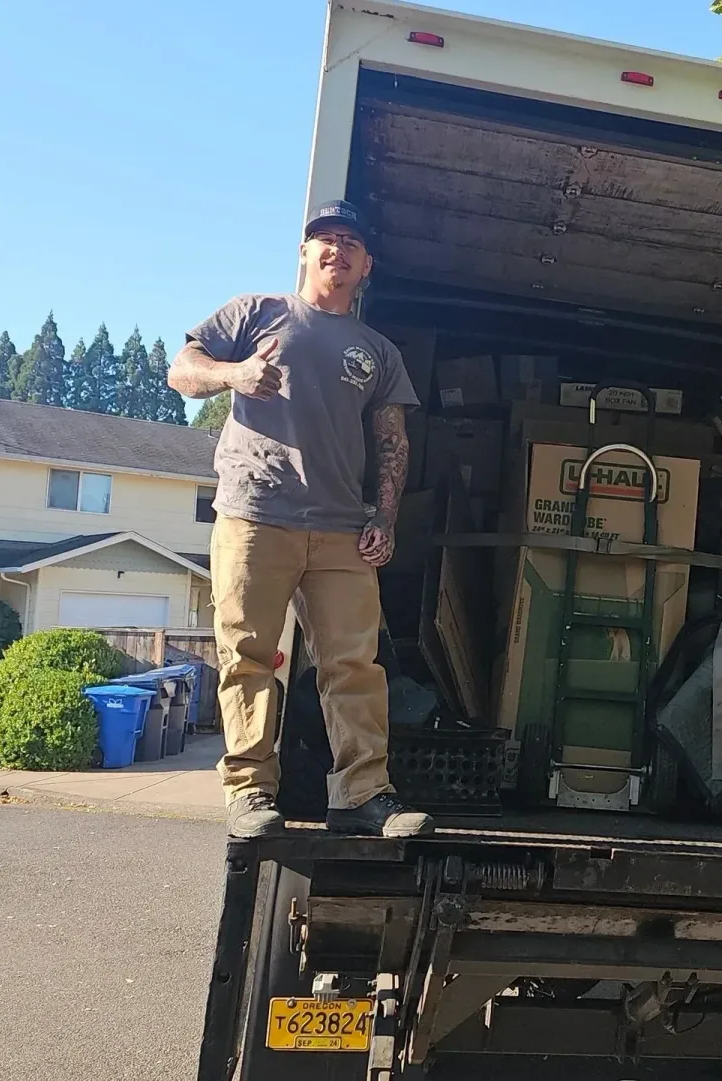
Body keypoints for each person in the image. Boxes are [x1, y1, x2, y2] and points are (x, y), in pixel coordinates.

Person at [168, 199, 432, 841]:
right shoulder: (257, 313)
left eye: (348, 241)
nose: (335, 249)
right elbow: (182, 371)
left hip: (343, 528)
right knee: (249, 654)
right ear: (304, 252)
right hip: (256, 514)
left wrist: (386, 516)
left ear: (366, 264)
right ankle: (250, 794)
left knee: (355, 664)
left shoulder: (377, 350)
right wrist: (234, 373)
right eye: (323, 238)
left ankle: (364, 797)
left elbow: (393, 440)